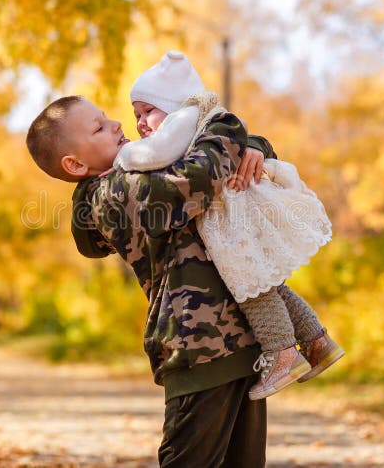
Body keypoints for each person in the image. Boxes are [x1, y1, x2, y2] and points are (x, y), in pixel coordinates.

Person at [26, 94, 267, 466]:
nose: (116, 124)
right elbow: (199, 178)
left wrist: (254, 146)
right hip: (198, 350)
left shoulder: (142, 167)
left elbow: (224, 166)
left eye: (106, 117)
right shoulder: (111, 194)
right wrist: (228, 124)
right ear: (75, 164)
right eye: (98, 127)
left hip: (244, 344)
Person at [115, 51, 344, 400]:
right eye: (137, 116)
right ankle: (316, 341)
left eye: (148, 112)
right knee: (267, 284)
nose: (141, 123)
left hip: (232, 217)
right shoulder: (196, 121)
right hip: (238, 213)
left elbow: (157, 156)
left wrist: (124, 156)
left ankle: (282, 353)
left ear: (174, 104)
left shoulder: (183, 122)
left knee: (249, 284)